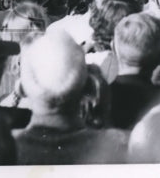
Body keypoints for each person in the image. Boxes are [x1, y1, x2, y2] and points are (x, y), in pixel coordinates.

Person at [13, 31, 129, 164]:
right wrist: (104, 115)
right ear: (89, 85)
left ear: (23, 86)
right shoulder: (120, 146)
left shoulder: (2, 149)